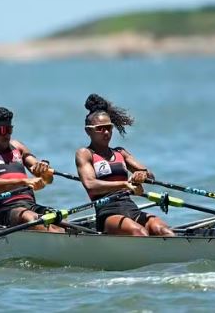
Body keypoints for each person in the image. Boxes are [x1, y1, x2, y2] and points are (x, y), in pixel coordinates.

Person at [75, 94, 175, 237]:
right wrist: (125, 184)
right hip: (108, 213)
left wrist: (142, 175)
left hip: (131, 208)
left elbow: (150, 175)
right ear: (88, 131)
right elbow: (91, 184)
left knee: (164, 230)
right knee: (139, 232)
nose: (106, 132)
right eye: (100, 128)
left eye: (109, 127)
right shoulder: (85, 154)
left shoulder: (121, 152)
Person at [0, 106, 63, 232]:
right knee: (30, 218)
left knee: (60, 219)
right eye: (1, 130)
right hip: (5, 210)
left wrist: (44, 171)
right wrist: (23, 182)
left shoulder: (17, 147)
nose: (6, 135)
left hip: (30, 205)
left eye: (9, 129)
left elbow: (47, 179)